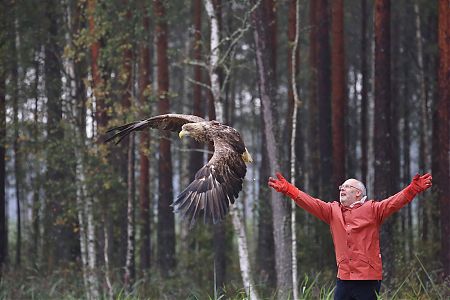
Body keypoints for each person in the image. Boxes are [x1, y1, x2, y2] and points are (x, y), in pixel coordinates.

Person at [268, 172, 432, 300]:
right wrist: (289, 189)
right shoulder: (332, 211)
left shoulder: (373, 209)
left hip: (367, 279)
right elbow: (310, 202)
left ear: (358, 193)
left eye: (347, 187)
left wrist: (413, 189)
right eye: (341, 187)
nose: (342, 189)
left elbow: (394, 202)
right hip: (344, 279)